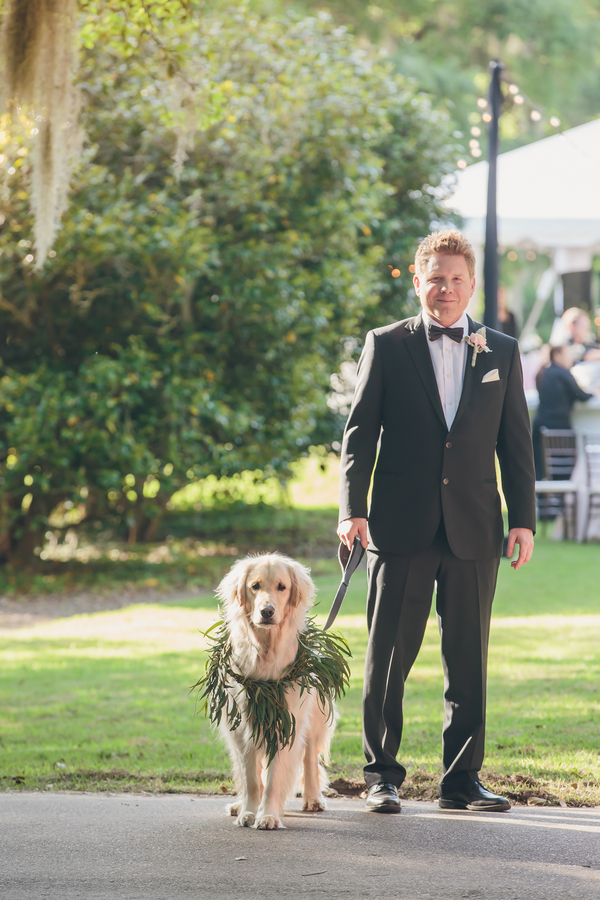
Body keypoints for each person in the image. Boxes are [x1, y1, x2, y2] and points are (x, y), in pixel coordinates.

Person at [337, 229, 536, 815]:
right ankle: (380, 776)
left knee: (468, 658)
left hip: (475, 527)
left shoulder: (500, 350)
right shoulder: (386, 344)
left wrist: (521, 519)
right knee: (389, 657)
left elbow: (516, 443)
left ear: (471, 284)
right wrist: (353, 510)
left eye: (456, 279)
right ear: (416, 278)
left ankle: (462, 779)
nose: (445, 289)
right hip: (399, 527)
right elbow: (359, 435)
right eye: (435, 278)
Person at [532, 344, 594, 480]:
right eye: (567, 355)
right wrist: (595, 392)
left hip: (540, 425)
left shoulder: (543, 372)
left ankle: (543, 500)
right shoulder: (563, 373)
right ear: (557, 355)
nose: (570, 359)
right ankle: (559, 500)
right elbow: (581, 396)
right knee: (562, 468)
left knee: (541, 468)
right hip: (558, 427)